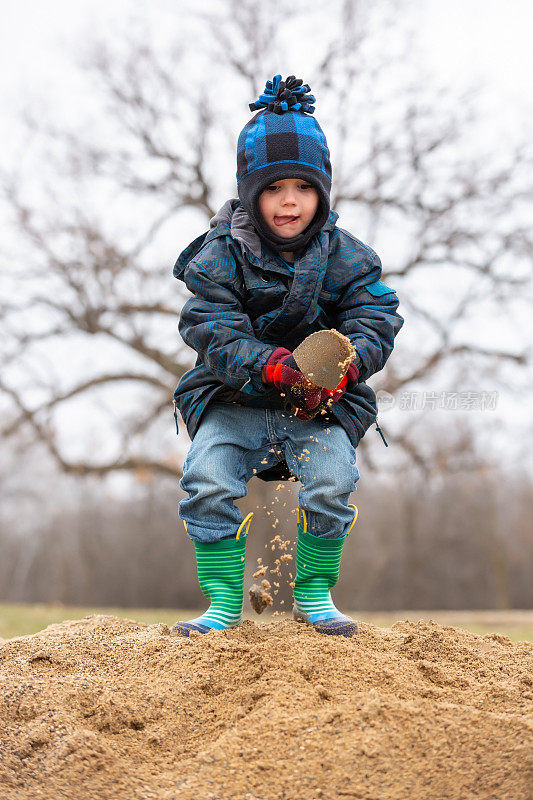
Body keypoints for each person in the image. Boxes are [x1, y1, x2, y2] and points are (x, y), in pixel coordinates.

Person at [171, 75, 404, 638]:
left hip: (319, 404)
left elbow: (377, 317)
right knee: (205, 477)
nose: (290, 201)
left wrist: (344, 368)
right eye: (275, 188)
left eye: (304, 186)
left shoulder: (349, 257)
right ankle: (224, 599)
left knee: (333, 478)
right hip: (233, 395)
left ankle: (315, 592)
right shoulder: (217, 257)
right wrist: (273, 366)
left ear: (323, 192)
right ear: (252, 193)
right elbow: (212, 330)